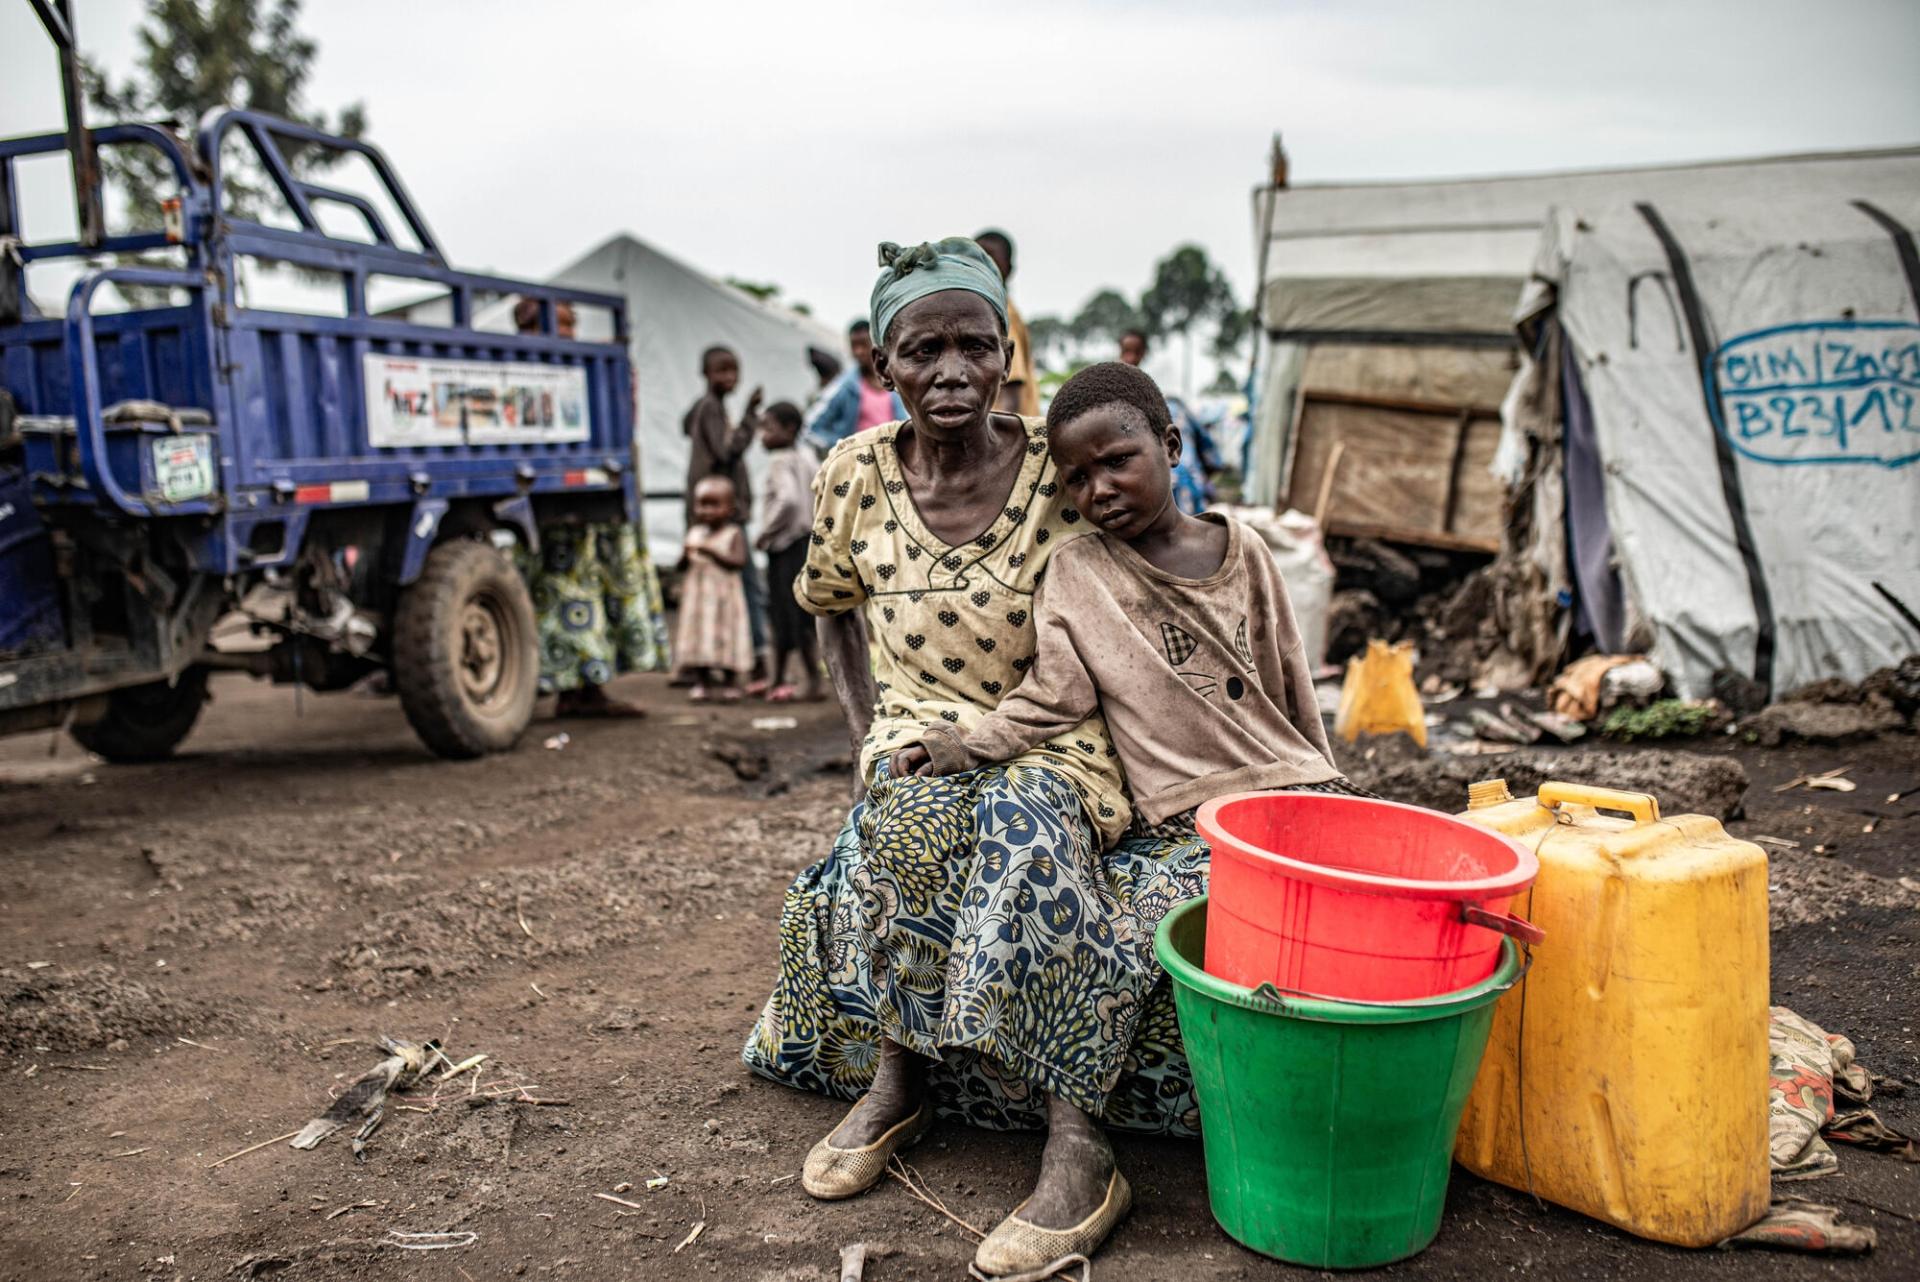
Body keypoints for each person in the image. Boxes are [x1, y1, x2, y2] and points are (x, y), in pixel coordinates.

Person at [743, 238, 1192, 1278]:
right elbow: (833, 618)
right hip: (917, 724)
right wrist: (868, 737)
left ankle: (1080, 1140)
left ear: (1007, 356)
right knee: (896, 820)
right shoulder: (850, 472)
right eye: (923, 349)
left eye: (974, 346)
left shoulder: (1055, 461)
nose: (950, 370)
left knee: (1026, 816)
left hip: (1052, 726)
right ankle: (901, 1083)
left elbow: (1153, 568)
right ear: (882, 362)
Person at [889, 361, 1354, 823]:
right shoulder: (1080, 573)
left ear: (1170, 446)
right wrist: (963, 748)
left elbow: (1291, 675)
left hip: (1288, 780)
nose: (1102, 489)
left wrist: (1325, 776)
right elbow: (1051, 696)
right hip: (1187, 807)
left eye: (1117, 461)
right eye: (1078, 479)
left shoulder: (1244, 548)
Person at [513, 297, 669, 717]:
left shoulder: (588, 365)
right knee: (563, 595)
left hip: (598, 498)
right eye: (551, 324)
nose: (562, 333)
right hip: (552, 504)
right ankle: (567, 688)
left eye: (567, 325)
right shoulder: (520, 368)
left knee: (597, 592)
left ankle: (591, 687)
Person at [683, 347, 771, 689]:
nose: (729, 378)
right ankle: (757, 659)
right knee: (745, 586)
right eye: (721, 371)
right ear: (705, 374)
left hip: (717, 516)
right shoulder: (709, 408)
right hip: (722, 518)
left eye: (733, 371)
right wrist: (751, 415)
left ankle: (720, 660)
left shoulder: (708, 407)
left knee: (724, 590)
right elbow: (726, 450)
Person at [755, 401, 822, 701]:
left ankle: (780, 679)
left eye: (768, 428)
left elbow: (789, 500)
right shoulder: (807, 456)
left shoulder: (780, 461)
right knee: (804, 613)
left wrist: (765, 531)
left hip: (784, 547)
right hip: (807, 544)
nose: (762, 436)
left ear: (789, 430)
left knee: (783, 615)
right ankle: (811, 678)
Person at [675, 476, 754, 701]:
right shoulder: (694, 533)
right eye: (702, 504)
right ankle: (703, 682)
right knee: (699, 637)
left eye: (714, 504)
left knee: (726, 636)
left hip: (724, 601)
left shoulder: (733, 534)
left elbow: (739, 562)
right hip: (699, 601)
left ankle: (730, 682)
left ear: (731, 508)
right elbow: (680, 566)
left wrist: (710, 550)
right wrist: (684, 553)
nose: (707, 511)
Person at [803, 319, 906, 453]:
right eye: (854, 346)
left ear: (876, 345)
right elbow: (811, 427)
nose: (858, 352)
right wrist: (843, 448)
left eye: (863, 345)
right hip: (858, 463)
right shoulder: (845, 386)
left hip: (889, 459)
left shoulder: (895, 382)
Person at [976, 229, 1040, 418]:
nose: (983, 267)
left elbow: (1011, 387)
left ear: (1009, 270)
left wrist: (1003, 438)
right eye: (976, 259)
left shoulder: (999, 314)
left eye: (991, 260)